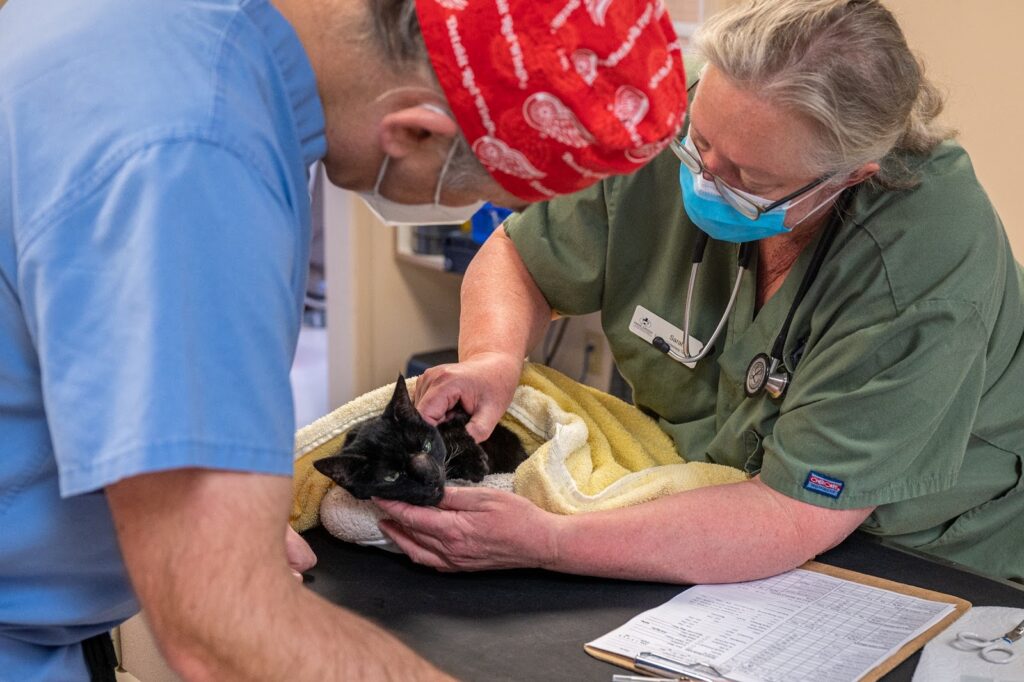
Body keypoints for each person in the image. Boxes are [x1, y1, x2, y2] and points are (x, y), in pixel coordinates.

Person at [0, 0, 687, 678]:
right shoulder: (196, 164)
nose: (470, 210)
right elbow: (222, 629)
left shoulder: (178, 37)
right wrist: (225, 563)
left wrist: (222, 513)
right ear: (415, 132)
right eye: (479, 195)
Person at [391, 0, 1024, 585]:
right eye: (699, 143)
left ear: (849, 176)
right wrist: (492, 359)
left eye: (747, 176)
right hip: (686, 497)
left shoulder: (921, 265)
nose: (703, 177)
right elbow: (520, 258)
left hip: (911, 554)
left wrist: (550, 543)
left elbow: (791, 514)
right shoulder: (689, 109)